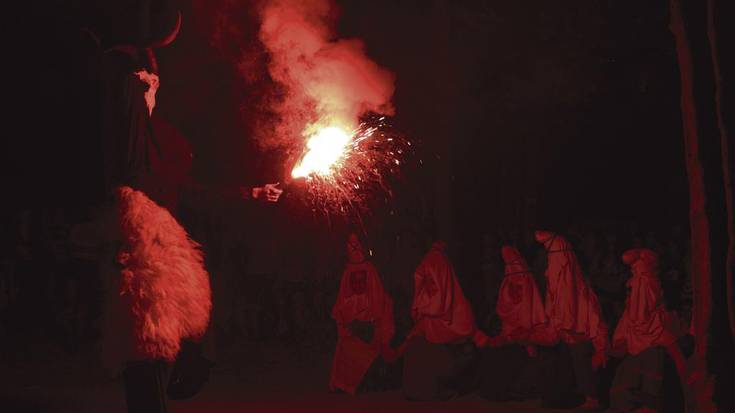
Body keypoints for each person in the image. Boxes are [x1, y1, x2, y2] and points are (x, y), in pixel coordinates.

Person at [86, 2, 282, 412]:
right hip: (140, 234)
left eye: (154, 82)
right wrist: (131, 84)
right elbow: (126, 153)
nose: (155, 87)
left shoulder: (158, 140)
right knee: (147, 343)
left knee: (183, 336)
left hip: (160, 233)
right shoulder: (127, 127)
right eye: (147, 83)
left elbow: (191, 190)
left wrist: (250, 194)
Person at [535, 230, 610, 410]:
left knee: (581, 358)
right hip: (563, 341)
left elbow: (593, 320)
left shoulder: (580, 291)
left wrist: (600, 348)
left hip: (580, 342)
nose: (548, 272)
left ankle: (591, 396)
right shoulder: (555, 285)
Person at [399, 240, 479, 401]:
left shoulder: (461, 311)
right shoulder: (425, 309)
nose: (430, 287)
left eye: (433, 282)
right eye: (427, 282)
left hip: (449, 361)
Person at [608, 248, 686, 413]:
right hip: (639, 336)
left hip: (651, 337)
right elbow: (636, 315)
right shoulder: (639, 285)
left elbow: (642, 312)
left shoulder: (645, 283)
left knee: (654, 368)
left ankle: (649, 406)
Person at [475, 246, 554, 401]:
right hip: (512, 331)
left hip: (523, 331)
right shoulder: (515, 279)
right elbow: (507, 307)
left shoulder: (522, 279)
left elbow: (529, 307)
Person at [329, 234, 395, 394]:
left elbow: (384, 325)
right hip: (353, 342)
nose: (358, 284)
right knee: (347, 348)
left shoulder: (379, 298)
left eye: (362, 280)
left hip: (373, 342)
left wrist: (375, 330)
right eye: (355, 281)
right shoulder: (346, 302)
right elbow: (342, 326)